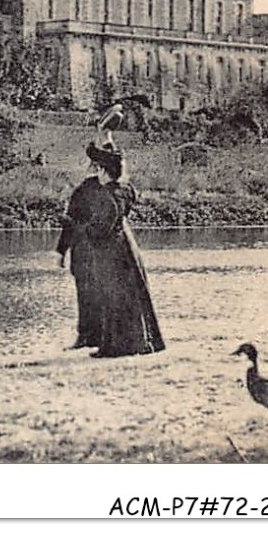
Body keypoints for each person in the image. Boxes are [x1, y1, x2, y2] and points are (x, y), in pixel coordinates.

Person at [55, 106, 165, 358]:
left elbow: (86, 222)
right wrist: (106, 136)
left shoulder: (107, 189)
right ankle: (101, 338)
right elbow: (116, 166)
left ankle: (113, 342)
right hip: (108, 246)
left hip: (106, 245)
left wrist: (104, 135)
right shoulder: (112, 188)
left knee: (112, 293)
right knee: (106, 293)